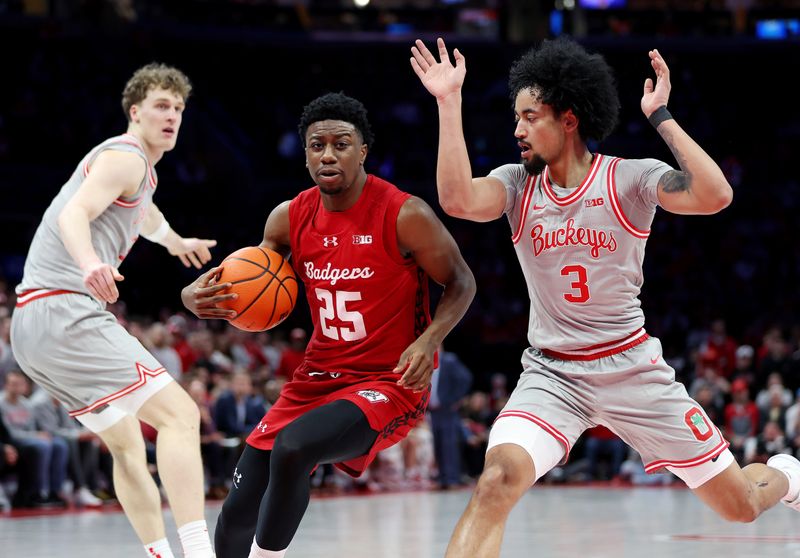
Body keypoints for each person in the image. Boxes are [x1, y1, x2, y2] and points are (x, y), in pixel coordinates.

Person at [410, 36, 800, 557]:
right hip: (553, 374)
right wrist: (447, 101)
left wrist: (660, 115)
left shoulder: (628, 179)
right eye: (516, 117)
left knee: (741, 506)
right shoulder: (515, 185)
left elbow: (716, 194)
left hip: (632, 369)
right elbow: (457, 200)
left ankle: (786, 478)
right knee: (497, 479)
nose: (517, 129)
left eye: (530, 116)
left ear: (568, 119)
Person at [181, 92, 476, 558]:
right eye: (317, 145)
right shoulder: (288, 218)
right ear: (305, 154)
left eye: (341, 144)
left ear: (362, 151)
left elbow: (461, 281)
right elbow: (247, 286)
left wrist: (428, 341)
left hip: (389, 382)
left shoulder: (404, 214)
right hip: (315, 378)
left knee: (294, 448)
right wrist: (192, 297)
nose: (328, 154)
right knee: (238, 508)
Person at [9, 63, 216, 558]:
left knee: (125, 444)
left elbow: (144, 213)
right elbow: (72, 212)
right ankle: (201, 553)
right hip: (65, 310)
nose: (172, 116)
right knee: (181, 416)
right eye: (162, 106)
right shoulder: (125, 157)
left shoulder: (141, 172)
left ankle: (161, 555)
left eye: (179, 109)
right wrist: (88, 265)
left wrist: (174, 241)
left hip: (31, 328)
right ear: (135, 111)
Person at [428, 345, 472, 489]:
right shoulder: (426, 361)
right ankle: (442, 479)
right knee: (437, 445)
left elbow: (466, 378)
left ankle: (452, 479)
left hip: (447, 410)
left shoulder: (449, 360)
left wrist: (456, 399)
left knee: (449, 445)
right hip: (433, 411)